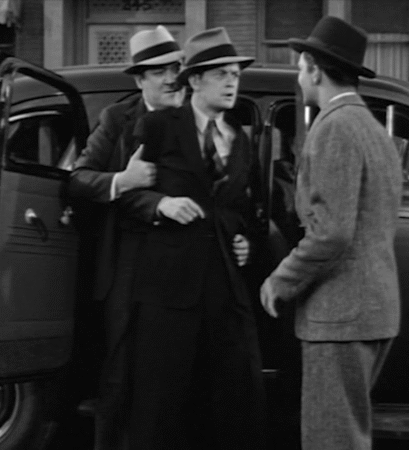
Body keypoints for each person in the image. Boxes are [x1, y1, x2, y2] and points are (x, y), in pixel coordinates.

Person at [117, 27, 266, 450]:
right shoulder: (158, 126)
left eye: (235, 75)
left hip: (223, 292)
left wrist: (246, 241)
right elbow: (127, 196)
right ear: (195, 80)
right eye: (221, 74)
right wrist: (160, 204)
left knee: (226, 403)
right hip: (168, 293)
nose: (232, 83)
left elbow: (244, 210)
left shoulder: (240, 140)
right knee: (162, 406)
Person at [259, 16, 403, 450]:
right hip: (371, 310)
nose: (299, 77)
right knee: (348, 436)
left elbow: (332, 233)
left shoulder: (334, 127)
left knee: (331, 440)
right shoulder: (372, 128)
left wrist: (280, 279)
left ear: (315, 69)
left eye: (300, 68)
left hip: (340, 317)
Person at [66, 25, 185, 450]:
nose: (170, 78)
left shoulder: (196, 115)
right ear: (139, 81)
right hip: (128, 266)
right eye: (158, 72)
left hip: (183, 266)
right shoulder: (117, 119)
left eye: (175, 68)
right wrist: (123, 179)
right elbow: (78, 179)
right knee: (120, 373)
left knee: (175, 374)